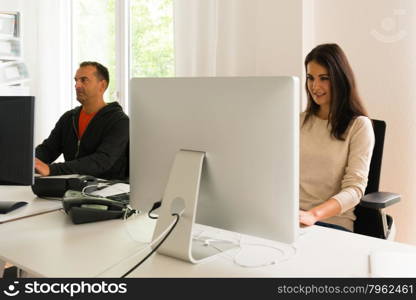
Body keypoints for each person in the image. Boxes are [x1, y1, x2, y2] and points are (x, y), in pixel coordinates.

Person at [299, 43, 375, 232]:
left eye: (324, 78)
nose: (315, 86)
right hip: (293, 218)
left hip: (332, 224)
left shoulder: (358, 126)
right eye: (310, 78)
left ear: (339, 79)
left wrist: (313, 215)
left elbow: (355, 190)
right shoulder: (298, 121)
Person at [35, 61, 129, 180]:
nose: (77, 85)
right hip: (72, 190)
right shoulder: (68, 118)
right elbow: (47, 150)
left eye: (84, 80)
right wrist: (27, 160)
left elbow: (101, 161)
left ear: (102, 85)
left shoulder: (120, 121)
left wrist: (51, 169)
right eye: (76, 80)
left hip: (106, 191)